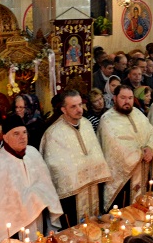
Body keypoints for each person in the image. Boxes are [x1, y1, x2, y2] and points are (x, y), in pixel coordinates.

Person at [0, 117, 63, 243]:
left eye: (24, 132)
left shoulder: (33, 153)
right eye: (16, 133)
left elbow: (46, 185)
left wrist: (36, 196)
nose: (22, 137)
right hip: (13, 225)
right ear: (5, 137)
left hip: (38, 217)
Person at [40, 90, 111, 226]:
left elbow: (96, 153)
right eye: (73, 106)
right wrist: (82, 170)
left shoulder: (87, 124)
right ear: (63, 109)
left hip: (94, 187)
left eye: (80, 105)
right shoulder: (53, 134)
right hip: (72, 196)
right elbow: (56, 168)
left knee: (96, 226)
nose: (79, 110)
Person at [97, 85, 153, 209]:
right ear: (114, 98)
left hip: (143, 169)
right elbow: (116, 147)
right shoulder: (107, 119)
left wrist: (150, 147)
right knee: (123, 210)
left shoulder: (138, 114)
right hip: (123, 178)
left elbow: (151, 132)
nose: (127, 101)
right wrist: (140, 153)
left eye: (130, 98)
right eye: (123, 98)